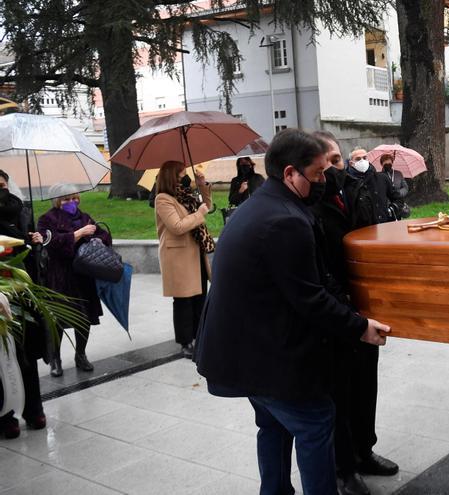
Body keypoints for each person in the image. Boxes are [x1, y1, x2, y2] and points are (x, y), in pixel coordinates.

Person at [195, 129, 390, 495]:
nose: (324, 180)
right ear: (289, 173)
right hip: (264, 356)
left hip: (242, 353)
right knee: (317, 422)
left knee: (273, 425)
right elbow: (310, 298)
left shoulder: (262, 203)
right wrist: (360, 327)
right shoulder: (286, 220)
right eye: (317, 173)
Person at [312, 131, 399, 495]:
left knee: (366, 386)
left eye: (338, 159)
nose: (337, 168)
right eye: (328, 163)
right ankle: (343, 469)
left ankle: (365, 451)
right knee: (340, 395)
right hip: (335, 313)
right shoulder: (311, 204)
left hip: (363, 306)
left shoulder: (355, 188)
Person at [37, 183, 112, 376]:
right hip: (60, 277)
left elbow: (102, 234)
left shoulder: (84, 216)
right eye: (67, 199)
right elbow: (50, 242)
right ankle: (55, 359)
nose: (72, 202)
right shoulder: (46, 219)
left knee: (83, 318)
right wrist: (78, 234)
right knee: (58, 320)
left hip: (83, 275)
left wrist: (98, 238)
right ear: (57, 201)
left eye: (74, 198)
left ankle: (81, 354)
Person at [0, 171, 47, 438]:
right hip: (1, 299)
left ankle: (33, 409)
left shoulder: (22, 211)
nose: (2, 191)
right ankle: (6, 416)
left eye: (3, 186)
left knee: (27, 356)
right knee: (3, 359)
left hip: (24, 296)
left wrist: (35, 242)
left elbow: (28, 251)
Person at [154, 160, 214, 359]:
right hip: (178, 256)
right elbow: (177, 226)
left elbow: (208, 206)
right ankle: (185, 342)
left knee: (200, 296)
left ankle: (200, 335)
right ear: (172, 177)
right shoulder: (163, 199)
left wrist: (202, 183)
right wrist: (199, 214)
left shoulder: (186, 194)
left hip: (195, 252)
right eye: (181, 174)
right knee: (183, 301)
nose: (184, 177)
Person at [346, 148, 401, 227]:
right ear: (351, 163)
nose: (362, 161)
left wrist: (391, 210)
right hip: (361, 231)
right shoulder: (347, 183)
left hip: (384, 227)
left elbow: (398, 198)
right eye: (358, 159)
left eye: (364, 158)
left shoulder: (382, 178)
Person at [378, 152, 410, 220]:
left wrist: (398, 194)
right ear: (381, 164)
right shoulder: (379, 176)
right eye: (385, 164)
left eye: (389, 164)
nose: (388, 165)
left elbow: (405, 188)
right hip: (385, 206)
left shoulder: (398, 174)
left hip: (397, 205)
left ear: (392, 163)